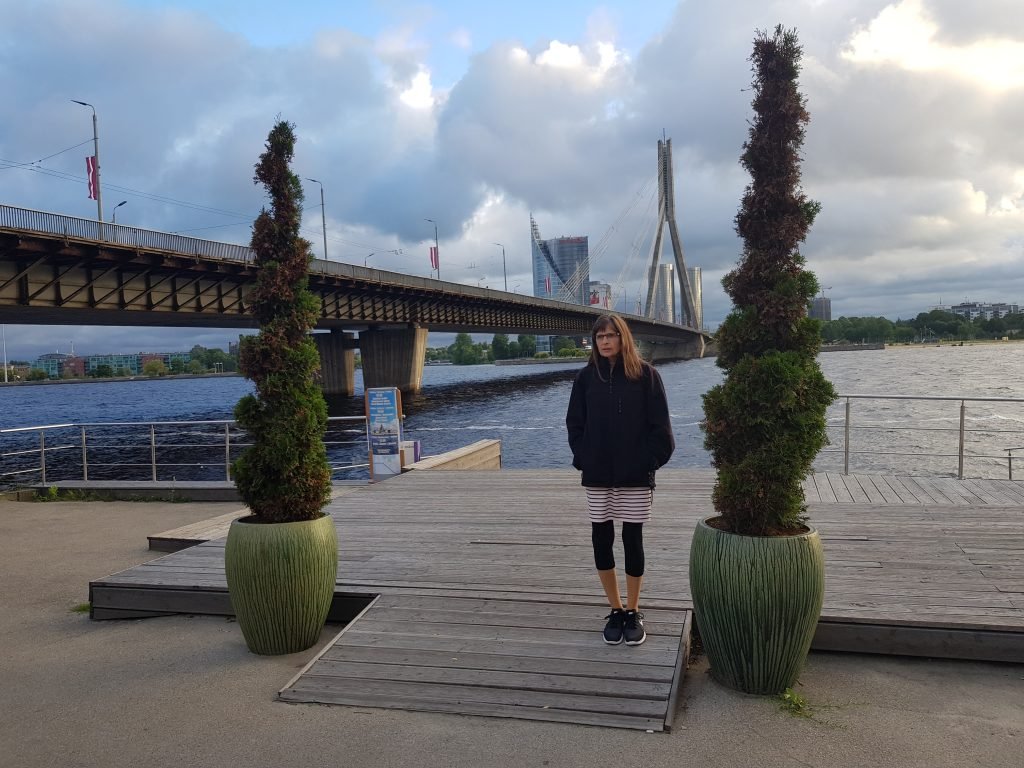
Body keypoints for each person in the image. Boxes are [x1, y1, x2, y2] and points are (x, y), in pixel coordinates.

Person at [566, 314, 675, 646]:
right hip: (598, 474)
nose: (605, 341)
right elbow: (574, 425)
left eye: (611, 335)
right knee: (601, 537)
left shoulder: (646, 377)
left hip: (635, 475)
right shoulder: (586, 379)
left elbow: (662, 430)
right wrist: (584, 457)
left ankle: (633, 609)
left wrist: (649, 461)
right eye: (600, 336)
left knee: (632, 539)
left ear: (623, 338)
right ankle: (614, 609)